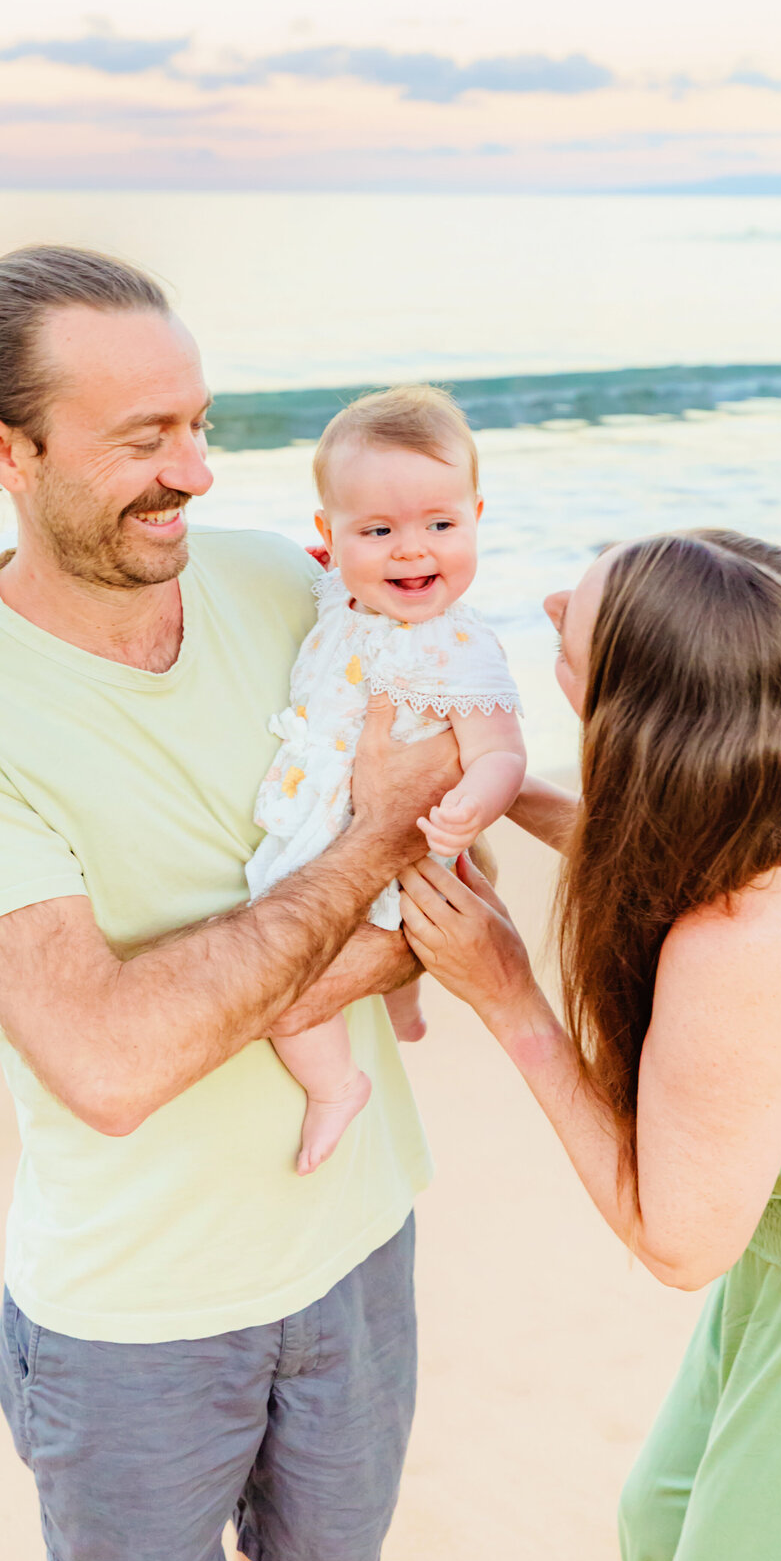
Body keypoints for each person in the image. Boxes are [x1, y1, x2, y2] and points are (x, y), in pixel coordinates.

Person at [0, 245, 461, 1561]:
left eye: (196, 424)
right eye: (146, 438)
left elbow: (450, 882)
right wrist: (367, 860)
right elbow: (112, 1064)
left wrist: (320, 939)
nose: (197, 470)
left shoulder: (288, 584)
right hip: (137, 1310)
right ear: (1, 448)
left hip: (358, 1235)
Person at [398, 529, 781, 1561]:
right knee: (665, 1514)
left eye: (583, 620)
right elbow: (703, 831)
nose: (555, 600)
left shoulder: (750, 943)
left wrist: (509, 994)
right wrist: (510, 796)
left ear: (645, 712)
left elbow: (676, 1241)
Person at [248, 384, 525, 1173]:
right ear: (329, 538)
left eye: (441, 524)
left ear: (477, 516)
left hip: (402, 847)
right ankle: (402, 1005)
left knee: (287, 993)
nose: (411, 550)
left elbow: (501, 749)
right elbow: (320, 576)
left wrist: (476, 801)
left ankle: (337, 1086)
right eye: (379, 530)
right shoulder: (342, 592)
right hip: (323, 826)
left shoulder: (456, 648)